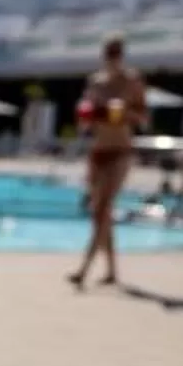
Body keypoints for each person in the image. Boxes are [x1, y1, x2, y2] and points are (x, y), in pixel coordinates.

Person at [69, 36, 148, 289]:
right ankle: (112, 271)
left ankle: (84, 269)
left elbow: (143, 117)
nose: (113, 57)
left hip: (121, 149)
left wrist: (125, 112)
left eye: (116, 52)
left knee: (104, 208)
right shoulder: (95, 82)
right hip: (99, 149)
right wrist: (88, 116)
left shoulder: (132, 80)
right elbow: (85, 120)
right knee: (98, 212)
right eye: (109, 52)